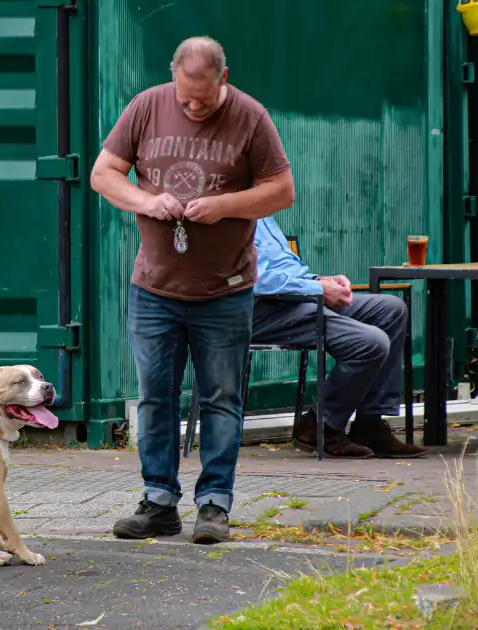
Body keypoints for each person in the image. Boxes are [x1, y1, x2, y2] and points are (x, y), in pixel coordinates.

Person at [90, 36, 295, 545]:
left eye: (203, 97)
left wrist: (225, 205)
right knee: (156, 399)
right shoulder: (146, 106)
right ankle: (159, 501)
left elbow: (282, 190)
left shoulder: (251, 116)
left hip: (224, 289)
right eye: (185, 98)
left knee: (223, 398)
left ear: (223, 78)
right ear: (173, 78)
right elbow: (103, 174)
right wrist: (145, 200)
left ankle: (214, 505)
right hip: (155, 288)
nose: (193, 106)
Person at [251, 217, 428, 459]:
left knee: (390, 309)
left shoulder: (262, 215)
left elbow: (284, 271)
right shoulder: (228, 215)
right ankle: (320, 425)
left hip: (294, 298)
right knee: (371, 342)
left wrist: (318, 280)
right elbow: (255, 280)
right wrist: (318, 289)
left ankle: (369, 424)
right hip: (262, 312)